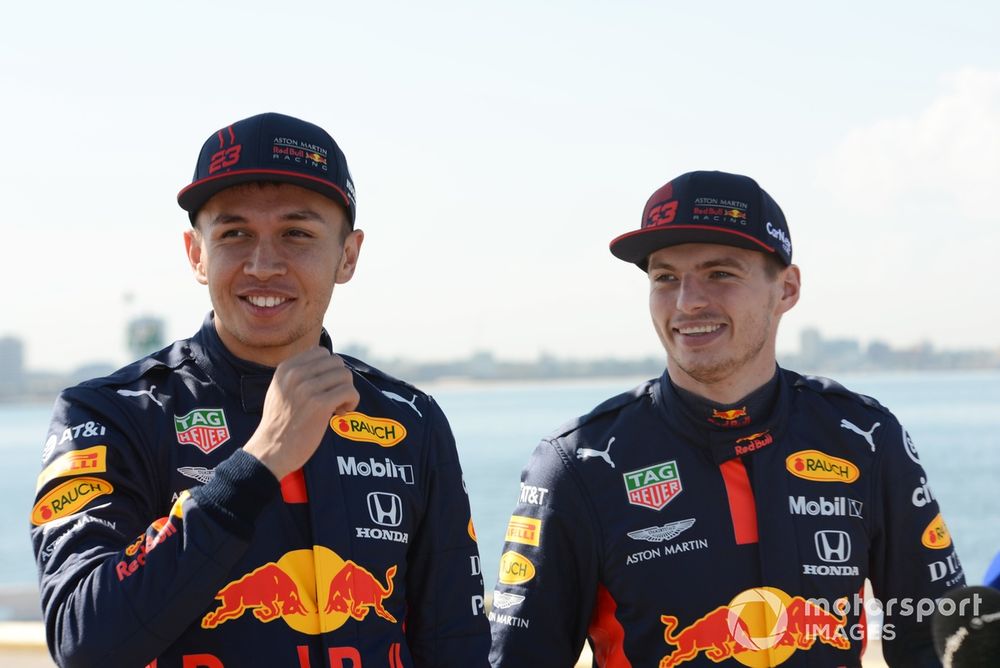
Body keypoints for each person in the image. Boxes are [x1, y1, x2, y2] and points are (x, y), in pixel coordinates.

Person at [31, 112, 491, 667]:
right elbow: (85, 642)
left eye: (297, 233)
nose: (263, 264)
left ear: (348, 255)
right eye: (234, 233)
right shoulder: (108, 415)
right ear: (196, 254)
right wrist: (259, 461)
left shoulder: (410, 418)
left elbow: (455, 644)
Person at [488, 170, 965, 667]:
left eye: (720, 273)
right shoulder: (578, 461)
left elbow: (933, 642)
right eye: (666, 277)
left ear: (786, 289)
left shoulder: (864, 439)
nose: (687, 301)